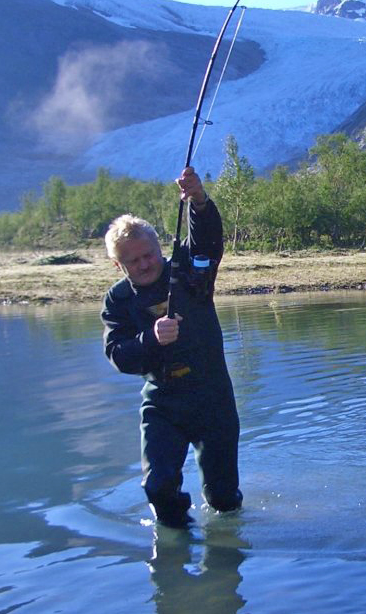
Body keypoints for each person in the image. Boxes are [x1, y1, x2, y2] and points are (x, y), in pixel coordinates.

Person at [101, 166, 242, 528]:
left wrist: (198, 200)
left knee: (223, 500)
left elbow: (208, 244)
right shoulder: (117, 301)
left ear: (158, 248)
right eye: (133, 260)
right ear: (119, 265)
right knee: (159, 489)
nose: (145, 264)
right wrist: (150, 338)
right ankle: (177, 549)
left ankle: (223, 560)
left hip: (213, 398)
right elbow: (118, 355)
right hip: (163, 402)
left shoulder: (190, 274)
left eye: (148, 254)